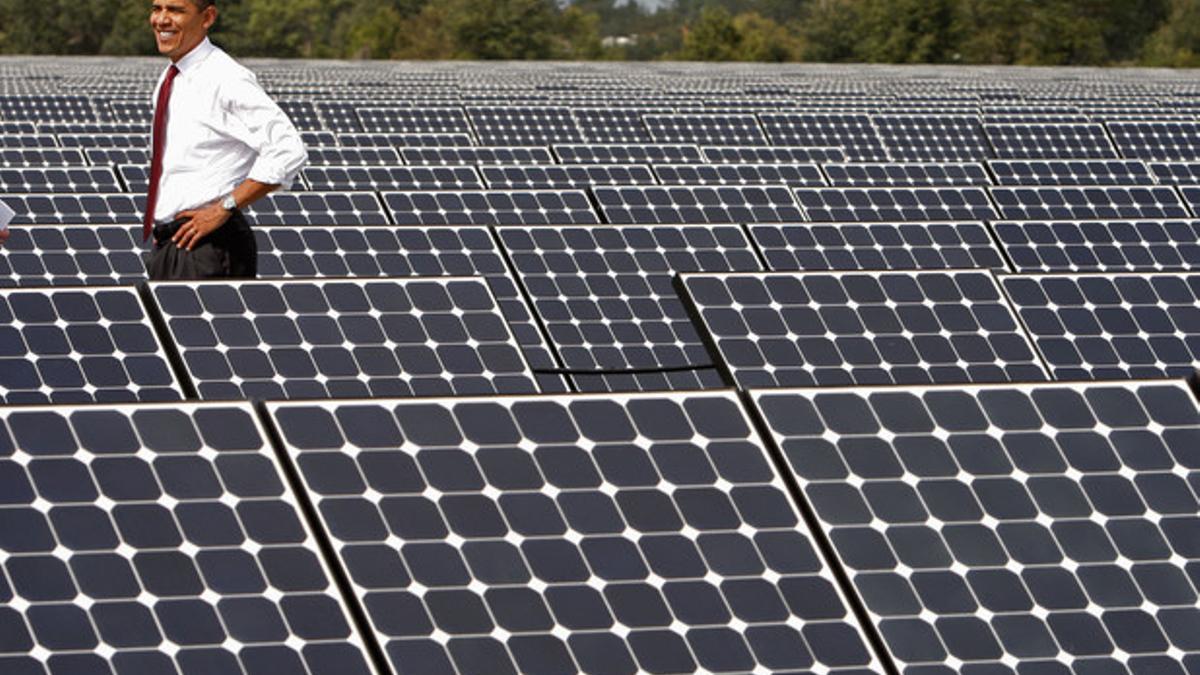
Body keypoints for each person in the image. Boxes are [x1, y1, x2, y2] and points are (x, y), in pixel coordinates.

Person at [145, 0, 306, 279]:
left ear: (207, 17)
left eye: (176, 10)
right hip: (176, 243)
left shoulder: (225, 78)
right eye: (157, 8)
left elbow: (288, 148)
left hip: (210, 247)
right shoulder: (172, 76)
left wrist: (224, 207)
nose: (161, 19)